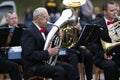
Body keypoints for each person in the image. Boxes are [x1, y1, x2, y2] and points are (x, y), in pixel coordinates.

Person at [21, 7, 76, 80]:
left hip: (43, 63)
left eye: (48, 17)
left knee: (70, 68)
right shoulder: (28, 32)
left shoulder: (45, 31)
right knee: (59, 71)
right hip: (33, 66)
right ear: (37, 18)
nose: (48, 20)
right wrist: (47, 53)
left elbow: (49, 47)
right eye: (45, 17)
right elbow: (29, 55)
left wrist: (57, 37)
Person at [91, 1, 120, 80]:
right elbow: (93, 45)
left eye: (116, 10)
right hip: (102, 57)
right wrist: (103, 54)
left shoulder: (118, 22)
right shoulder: (96, 24)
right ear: (104, 12)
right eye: (112, 11)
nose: (115, 12)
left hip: (118, 54)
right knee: (110, 65)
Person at [0, 11, 23, 80]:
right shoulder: (3, 30)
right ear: (7, 20)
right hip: (8, 53)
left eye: (15, 18)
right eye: (12, 18)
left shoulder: (23, 27)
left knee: (29, 58)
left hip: (22, 52)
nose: (14, 20)